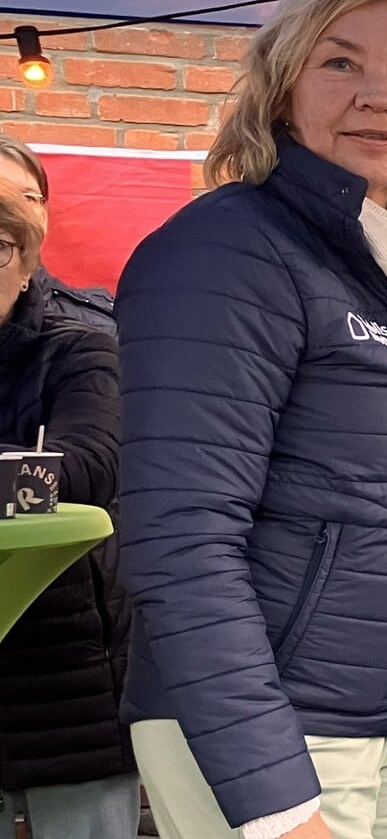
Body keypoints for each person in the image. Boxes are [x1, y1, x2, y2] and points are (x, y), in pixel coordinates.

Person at [115, 0, 387, 839]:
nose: (378, 96)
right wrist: (276, 802)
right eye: (340, 64)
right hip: (269, 731)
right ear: (283, 88)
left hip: (383, 725)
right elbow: (180, 542)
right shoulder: (229, 251)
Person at [0, 185, 137, 839]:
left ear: (28, 260)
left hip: (69, 688)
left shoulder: (80, 349)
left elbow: (85, 470)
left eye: (1, 247)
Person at [0, 134, 116, 333]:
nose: (15, 210)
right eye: (3, 196)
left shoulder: (98, 326)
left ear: (43, 217)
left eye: (26, 196)